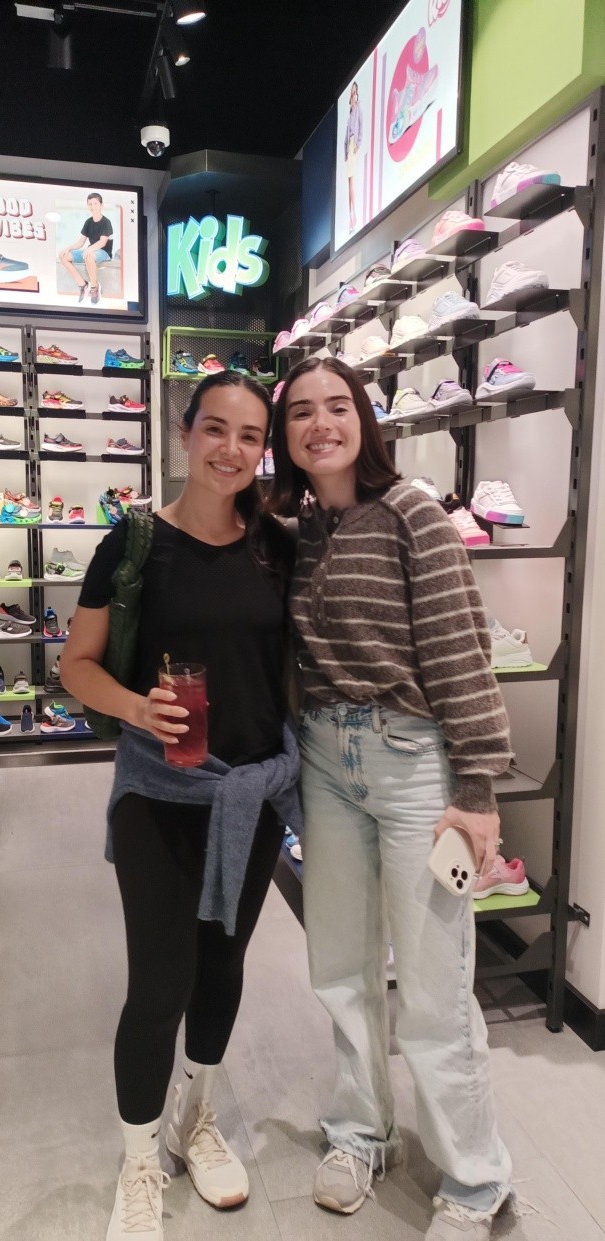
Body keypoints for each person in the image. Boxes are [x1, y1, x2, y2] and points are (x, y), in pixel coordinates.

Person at [269, 355, 514, 1241]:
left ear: (364, 421)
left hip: (414, 764)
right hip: (325, 759)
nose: (321, 424)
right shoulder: (295, 527)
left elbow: (460, 647)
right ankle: (358, 1131)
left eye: (337, 407)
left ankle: (476, 1178)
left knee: (435, 985)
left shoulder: (412, 511)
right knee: (341, 964)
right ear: (285, 434)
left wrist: (476, 789)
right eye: (301, 411)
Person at [61, 371, 300, 1241]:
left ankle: (192, 1119)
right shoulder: (134, 542)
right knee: (161, 981)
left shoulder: (276, 545)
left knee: (221, 969)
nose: (231, 449)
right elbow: (76, 664)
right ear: (186, 431)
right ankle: (137, 1162)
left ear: (262, 449)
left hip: (251, 794)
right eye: (216, 428)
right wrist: (136, 707)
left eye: (250, 435)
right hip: (158, 793)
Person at [58, 191, 113, 305]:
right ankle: (83, 284)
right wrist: (68, 248)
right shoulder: (88, 222)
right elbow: (80, 242)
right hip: (91, 250)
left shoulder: (106, 222)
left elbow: (102, 243)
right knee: (63, 256)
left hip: (104, 252)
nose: (93, 206)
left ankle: (94, 287)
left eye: (95, 203)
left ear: (101, 205)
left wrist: (89, 249)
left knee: (89, 255)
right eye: (90, 204)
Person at [344, 81, 361, 232]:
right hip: (349, 147)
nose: (353, 95)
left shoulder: (358, 110)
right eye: (351, 93)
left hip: (353, 145)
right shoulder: (350, 113)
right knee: (349, 181)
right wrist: (346, 151)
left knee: (351, 181)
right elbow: (346, 134)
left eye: (355, 93)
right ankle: (351, 216)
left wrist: (357, 144)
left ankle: (353, 215)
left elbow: (360, 128)